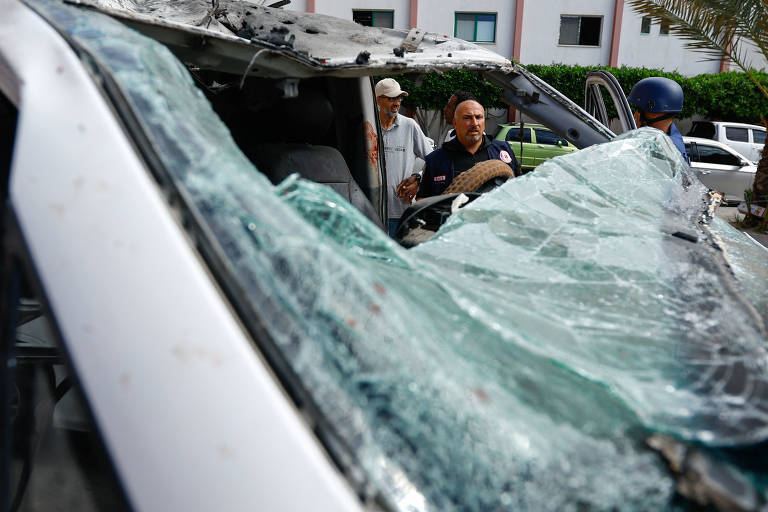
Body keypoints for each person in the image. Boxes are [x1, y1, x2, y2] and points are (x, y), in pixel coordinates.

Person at [418, 98, 518, 198]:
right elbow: (422, 200)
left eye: (478, 117)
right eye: (467, 118)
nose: (474, 123)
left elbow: (518, 188)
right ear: (455, 123)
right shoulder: (435, 160)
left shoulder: (503, 150)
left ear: (484, 122)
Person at [374, 78, 434, 236]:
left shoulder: (410, 125)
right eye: (391, 98)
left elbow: (434, 161)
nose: (397, 103)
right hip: (370, 211)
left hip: (400, 212)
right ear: (378, 100)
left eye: (399, 98)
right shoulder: (368, 126)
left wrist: (418, 179)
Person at [628, 77, 690, 164]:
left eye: (639, 110)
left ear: (654, 113)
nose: (635, 115)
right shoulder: (669, 137)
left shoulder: (663, 151)